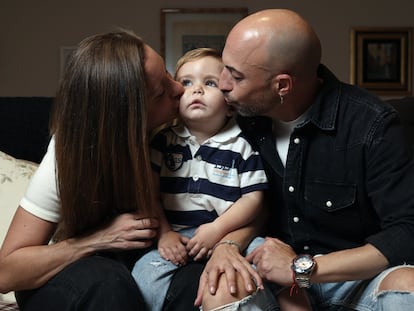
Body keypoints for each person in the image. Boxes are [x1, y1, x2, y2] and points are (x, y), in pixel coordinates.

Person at [171, 9, 414, 311]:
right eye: (225, 67)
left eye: (235, 76)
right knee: (221, 287)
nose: (222, 84)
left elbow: (405, 231)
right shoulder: (240, 121)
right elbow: (255, 202)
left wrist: (303, 269)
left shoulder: (372, 124)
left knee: (410, 288)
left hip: (352, 279)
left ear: (282, 85)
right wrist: (227, 245)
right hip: (270, 279)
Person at [0, 29, 185, 310]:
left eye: (170, 73)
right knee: (107, 284)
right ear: (127, 116)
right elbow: (7, 272)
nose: (179, 89)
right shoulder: (68, 156)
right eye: (161, 92)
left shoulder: (187, 127)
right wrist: (98, 239)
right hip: (70, 279)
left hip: (148, 261)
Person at [131, 47, 269, 310]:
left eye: (210, 83)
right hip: (177, 237)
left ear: (230, 105)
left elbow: (253, 199)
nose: (196, 90)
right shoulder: (163, 142)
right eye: (186, 83)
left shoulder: (241, 146)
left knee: (266, 262)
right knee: (143, 275)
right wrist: (164, 234)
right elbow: (149, 194)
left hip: (231, 235)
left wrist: (218, 230)